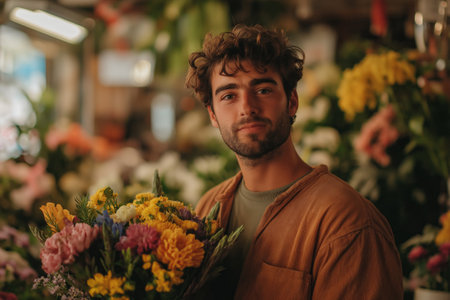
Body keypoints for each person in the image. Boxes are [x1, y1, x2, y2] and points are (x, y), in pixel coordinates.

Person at [185, 24, 403, 299]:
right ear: (213, 115)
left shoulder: (345, 222)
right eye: (229, 96)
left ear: (292, 101)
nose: (246, 107)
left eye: (263, 90)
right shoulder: (209, 207)